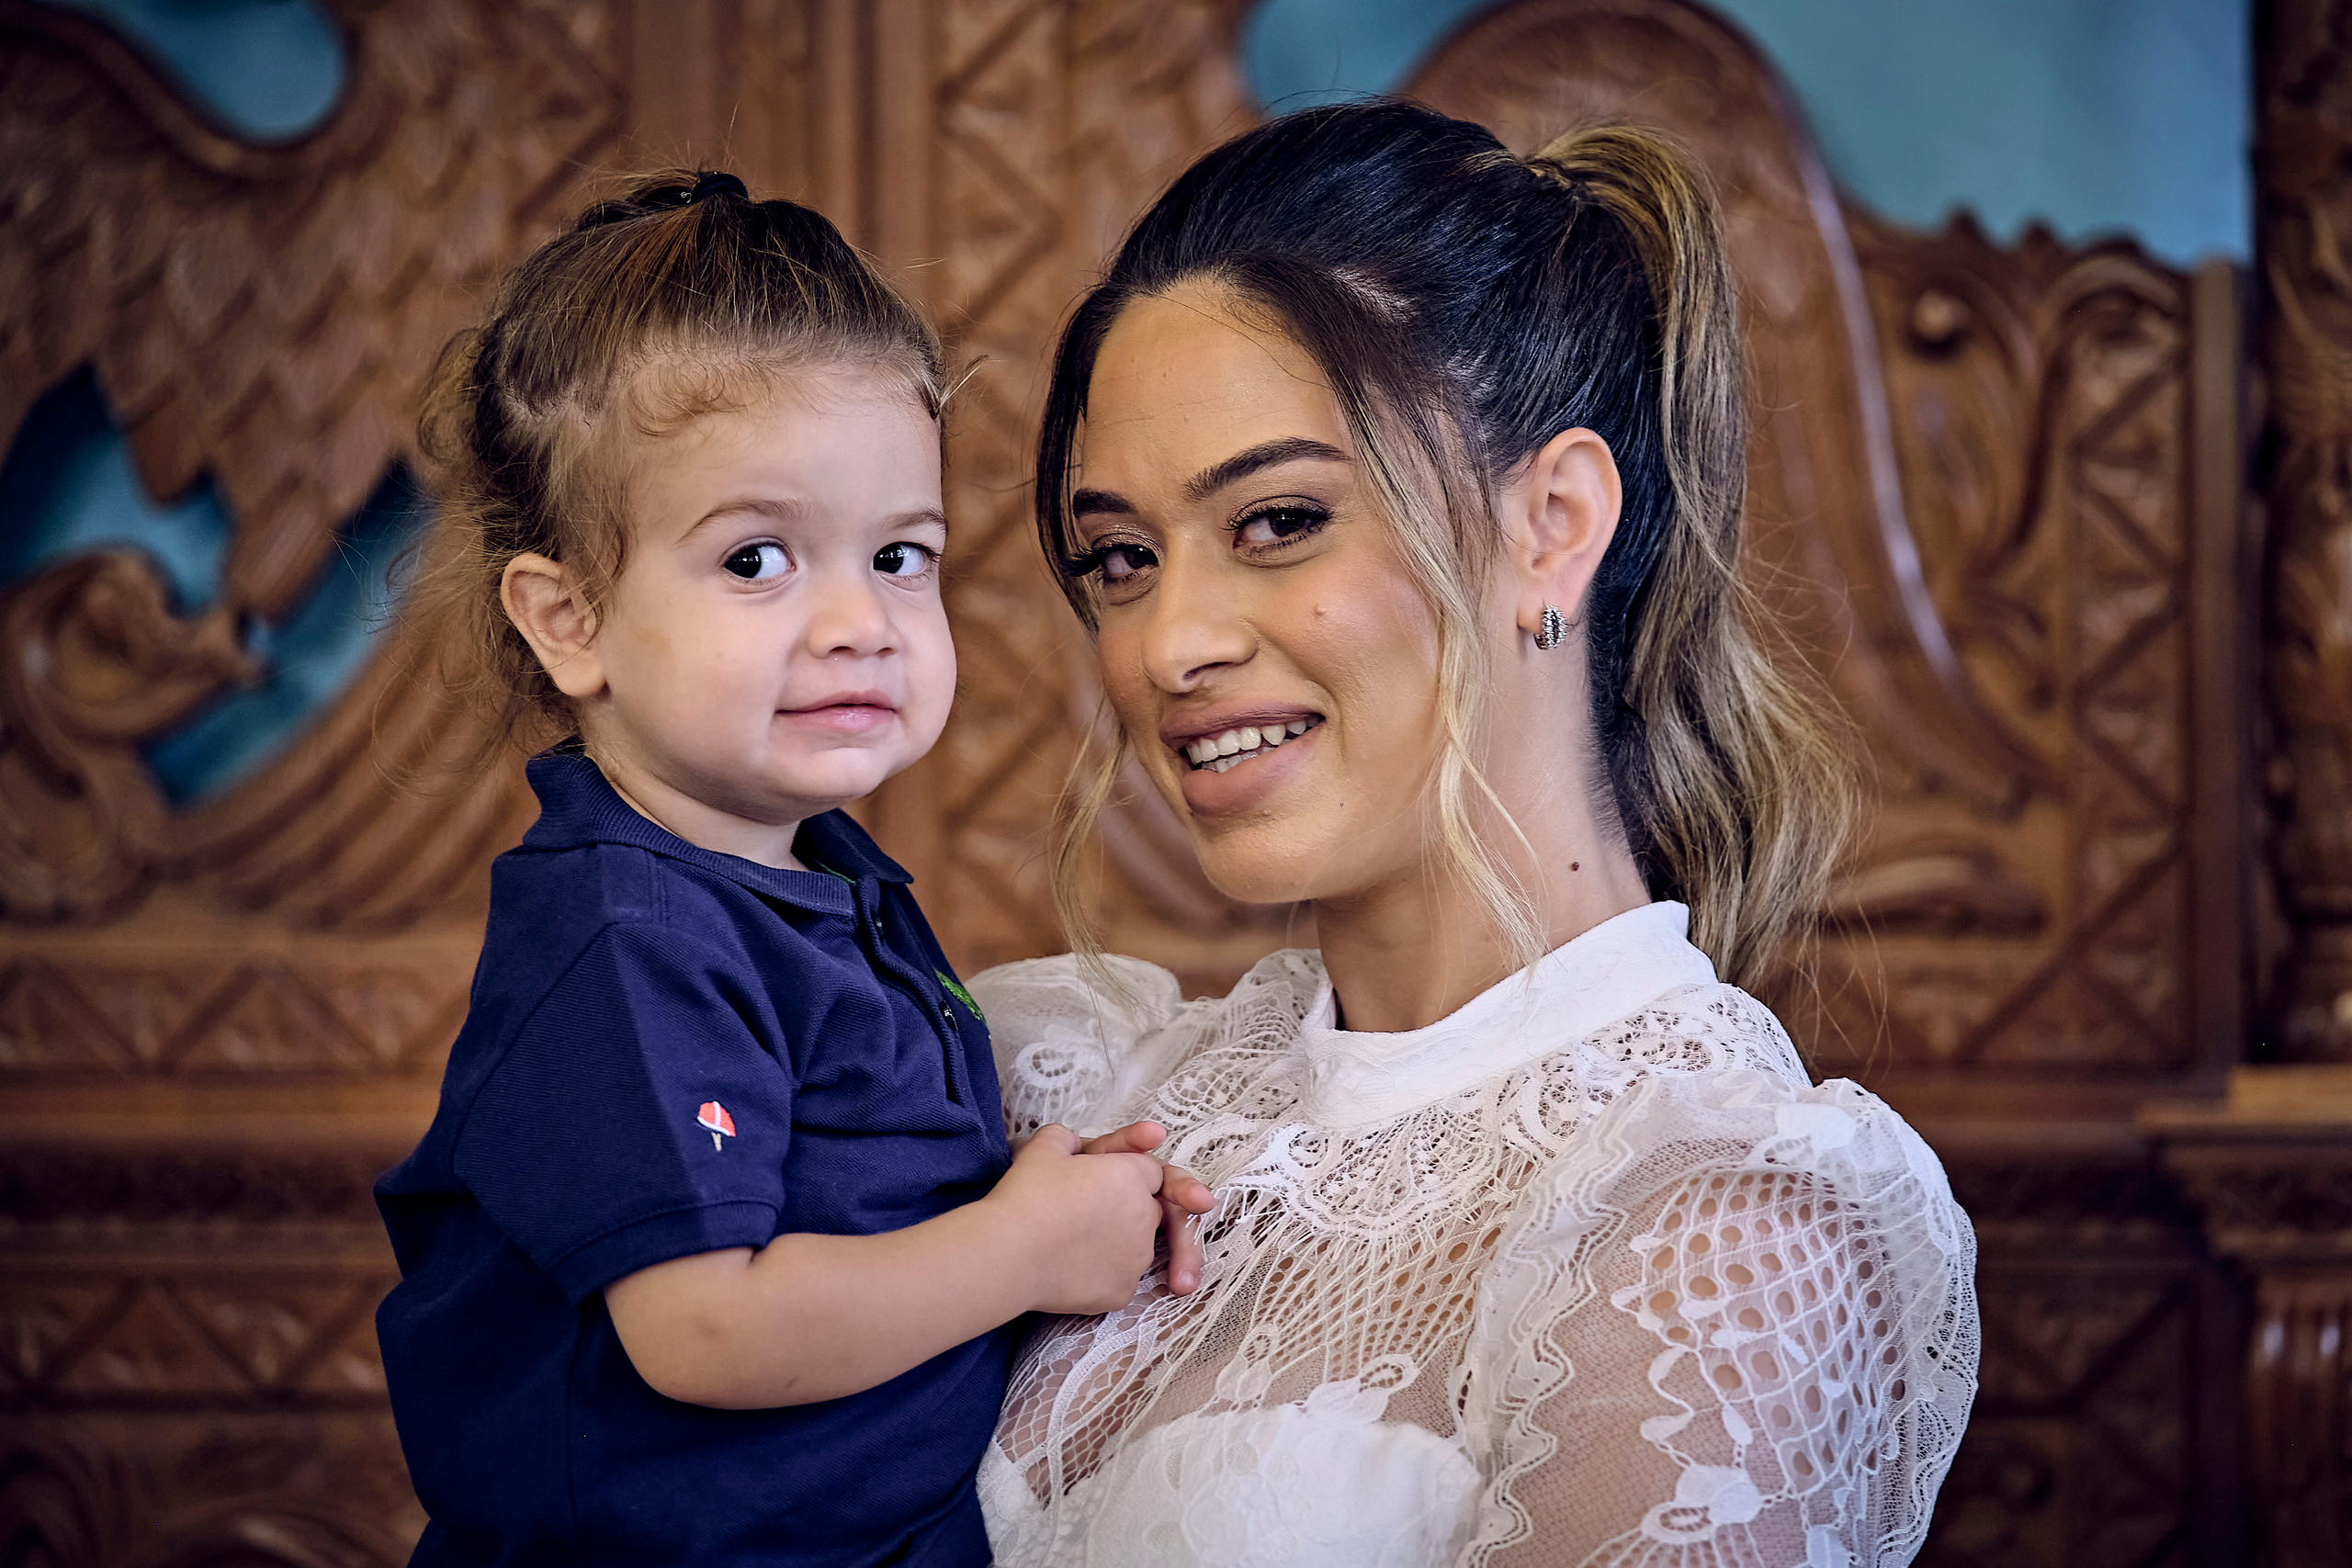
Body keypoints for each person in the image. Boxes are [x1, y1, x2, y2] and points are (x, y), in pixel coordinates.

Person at [971, 104, 1979, 1566]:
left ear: (1552, 523)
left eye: (1278, 522)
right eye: (1121, 556)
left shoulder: (1718, 1225)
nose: (1167, 644)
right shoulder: (1077, 1086)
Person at [372, 171, 1208, 1567]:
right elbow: (707, 1327)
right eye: (758, 558)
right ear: (569, 619)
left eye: (901, 556)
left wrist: (1050, 1196)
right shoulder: (629, 937)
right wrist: (1017, 1252)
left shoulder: (812, 878)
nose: (858, 621)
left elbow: (840, 1191)